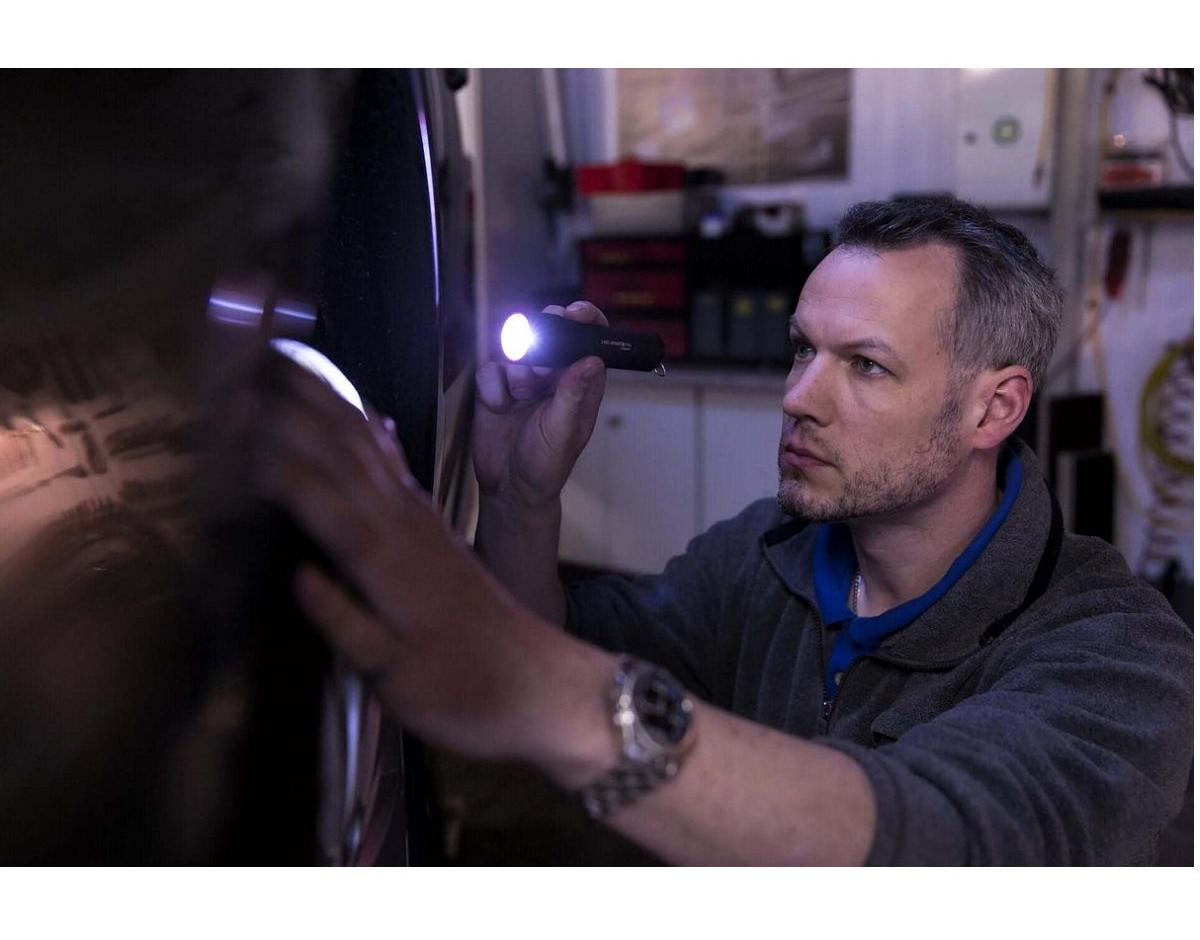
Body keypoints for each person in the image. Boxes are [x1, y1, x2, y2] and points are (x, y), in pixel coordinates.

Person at [259, 196, 1193, 865]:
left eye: (865, 366)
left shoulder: (1119, 655)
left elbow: (943, 840)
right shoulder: (768, 556)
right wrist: (521, 500)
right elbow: (569, 640)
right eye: (802, 349)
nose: (798, 397)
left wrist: (543, 689)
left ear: (995, 408)